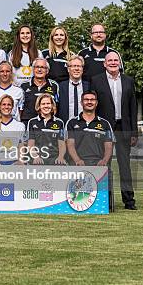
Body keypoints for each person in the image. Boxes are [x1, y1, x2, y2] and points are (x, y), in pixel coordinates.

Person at [90, 52, 138, 210]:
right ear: (104, 63)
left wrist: (134, 132)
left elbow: (133, 107)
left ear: (119, 63)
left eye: (115, 60)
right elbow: (92, 107)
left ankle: (129, 201)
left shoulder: (128, 81)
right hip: (104, 129)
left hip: (123, 128)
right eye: (109, 60)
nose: (112, 62)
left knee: (125, 166)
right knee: (104, 164)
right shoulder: (96, 80)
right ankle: (106, 201)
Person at [65, 90, 113, 168]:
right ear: (81, 103)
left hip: (99, 165)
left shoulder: (105, 124)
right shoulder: (71, 123)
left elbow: (109, 146)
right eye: (86, 100)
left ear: (96, 103)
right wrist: (77, 160)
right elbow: (70, 145)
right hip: (77, 165)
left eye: (92, 100)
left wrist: (104, 161)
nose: (89, 102)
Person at [26, 94, 66, 165]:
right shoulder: (32, 122)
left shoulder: (59, 122)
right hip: (38, 158)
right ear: (39, 106)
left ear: (52, 105)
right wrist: (36, 157)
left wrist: (60, 157)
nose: (46, 106)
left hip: (54, 158)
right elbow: (30, 144)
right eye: (43, 104)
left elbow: (62, 144)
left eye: (48, 103)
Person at [0, 94, 26, 165]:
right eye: (3, 104)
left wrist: (20, 162)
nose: (6, 107)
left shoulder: (20, 126)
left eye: (9, 104)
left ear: (12, 106)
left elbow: (21, 148)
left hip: (14, 163)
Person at [19, 58, 59, 125]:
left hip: (48, 124)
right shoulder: (24, 86)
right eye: (37, 67)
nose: (39, 70)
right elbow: (20, 108)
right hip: (27, 123)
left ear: (47, 71)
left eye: (43, 67)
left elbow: (57, 106)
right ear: (33, 69)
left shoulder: (54, 86)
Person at [57, 55, 89, 123]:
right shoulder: (60, 87)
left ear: (82, 69)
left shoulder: (89, 86)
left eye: (79, 66)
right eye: (74, 66)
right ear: (68, 69)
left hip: (84, 125)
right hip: (65, 126)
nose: (76, 69)